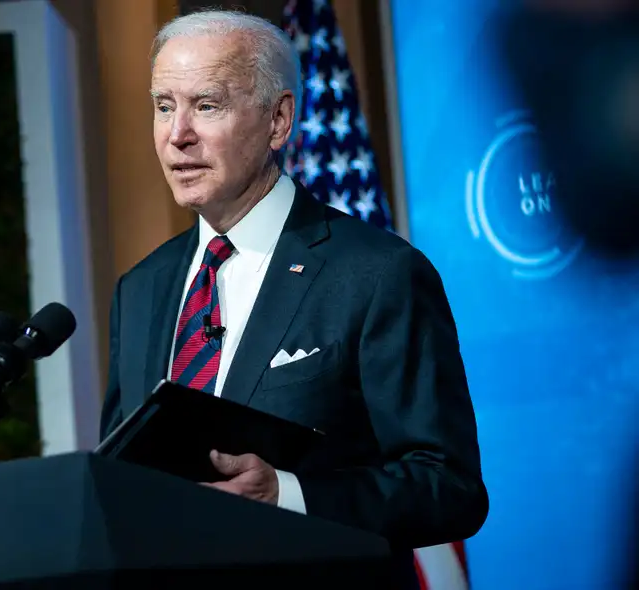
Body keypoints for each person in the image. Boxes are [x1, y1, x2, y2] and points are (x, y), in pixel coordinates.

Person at [98, 9, 489, 588]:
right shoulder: (140, 287)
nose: (177, 134)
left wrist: (287, 494)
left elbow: (449, 487)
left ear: (278, 121)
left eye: (207, 105)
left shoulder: (375, 273)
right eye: (163, 106)